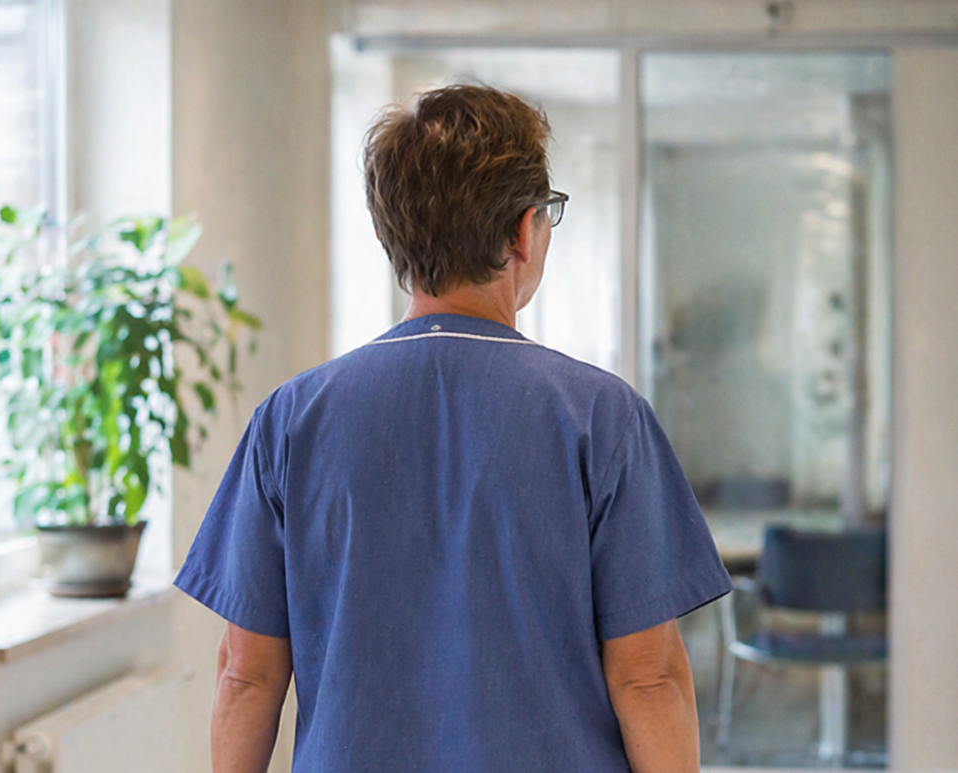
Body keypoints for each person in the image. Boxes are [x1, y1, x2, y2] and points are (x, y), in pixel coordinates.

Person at [175, 84, 732, 773]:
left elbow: (246, 673)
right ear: (525, 231)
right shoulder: (602, 418)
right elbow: (648, 676)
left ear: (388, 236)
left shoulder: (291, 422)